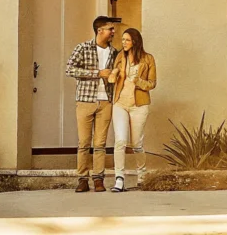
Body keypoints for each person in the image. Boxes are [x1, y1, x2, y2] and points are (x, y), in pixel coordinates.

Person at [64, 16, 118, 193]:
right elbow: (70, 69)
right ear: (99, 30)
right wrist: (97, 73)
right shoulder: (83, 47)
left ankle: (98, 179)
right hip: (85, 100)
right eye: (110, 29)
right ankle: (82, 179)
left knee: (100, 143)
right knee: (84, 143)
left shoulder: (114, 52)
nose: (113, 32)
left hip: (106, 101)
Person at [109, 28, 157, 192]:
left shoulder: (148, 59)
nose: (123, 43)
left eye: (127, 40)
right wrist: (114, 73)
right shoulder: (120, 57)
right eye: (122, 40)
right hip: (120, 103)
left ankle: (142, 175)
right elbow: (112, 79)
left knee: (137, 144)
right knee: (120, 141)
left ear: (135, 41)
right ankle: (119, 179)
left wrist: (138, 81)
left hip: (139, 105)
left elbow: (152, 83)